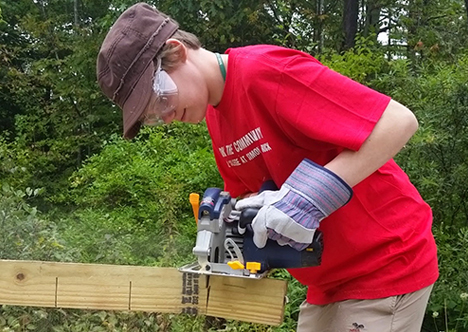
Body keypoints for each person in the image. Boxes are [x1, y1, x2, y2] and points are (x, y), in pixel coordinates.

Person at [97, 3, 438, 331]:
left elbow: (397, 121)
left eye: (161, 98)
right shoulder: (217, 117)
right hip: (325, 282)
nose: (166, 116)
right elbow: (252, 199)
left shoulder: (266, 72)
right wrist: (231, 236)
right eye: (153, 116)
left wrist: (310, 196)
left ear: (177, 51)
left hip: (384, 262)